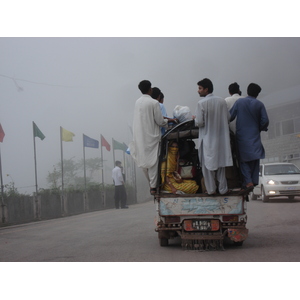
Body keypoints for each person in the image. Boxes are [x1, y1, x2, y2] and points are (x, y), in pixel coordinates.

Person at [129, 80, 169, 195]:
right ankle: (153, 186)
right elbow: (160, 121)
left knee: (143, 160)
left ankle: (151, 185)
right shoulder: (154, 103)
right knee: (154, 161)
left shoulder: (137, 102)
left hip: (139, 136)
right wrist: (169, 121)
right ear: (150, 89)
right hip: (151, 136)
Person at [194, 78, 233, 195]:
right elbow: (228, 118)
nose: (198, 91)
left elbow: (199, 122)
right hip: (221, 140)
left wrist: (194, 119)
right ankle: (223, 189)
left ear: (206, 89)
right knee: (220, 166)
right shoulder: (222, 101)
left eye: (200, 88)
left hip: (208, 139)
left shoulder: (201, 103)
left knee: (207, 167)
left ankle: (211, 190)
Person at [230, 83, 269, 194]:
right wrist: (260, 128)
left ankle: (248, 182)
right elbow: (265, 120)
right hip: (255, 136)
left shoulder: (240, 102)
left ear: (247, 91)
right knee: (255, 159)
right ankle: (253, 180)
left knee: (243, 160)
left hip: (242, 136)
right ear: (257, 94)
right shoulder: (259, 104)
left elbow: (230, 116)